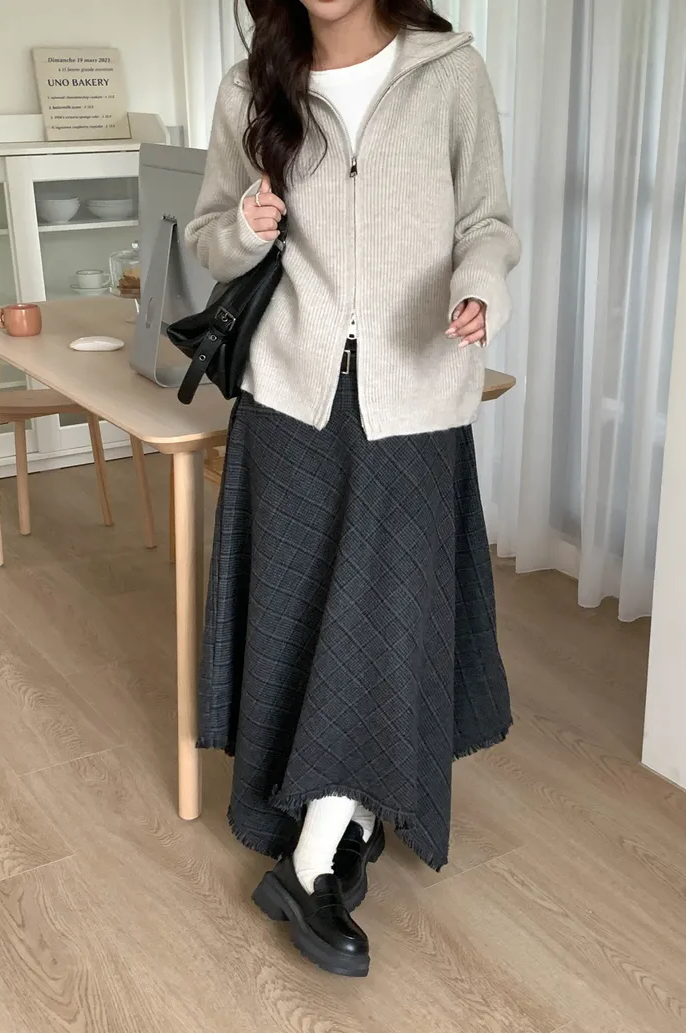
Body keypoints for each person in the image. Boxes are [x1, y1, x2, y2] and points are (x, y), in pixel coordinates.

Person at [186, 0, 520, 979]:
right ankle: (345, 813)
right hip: (292, 396)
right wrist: (243, 228)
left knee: (386, 613)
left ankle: (312, 853)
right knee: (300, 611)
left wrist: (479, 284)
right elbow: (207, 236)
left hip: (414, 390)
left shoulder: (449, 71)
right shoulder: (252, 86)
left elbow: (488, 220)